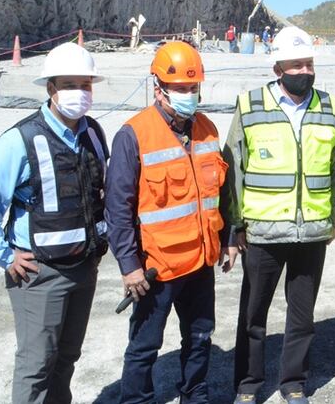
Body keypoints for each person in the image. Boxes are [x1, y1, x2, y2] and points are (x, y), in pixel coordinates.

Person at [0, 42, 108, 404]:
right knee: (37, 364)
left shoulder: (93, 133)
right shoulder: (21, 139)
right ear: (50, 88)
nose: (79, 92)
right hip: (40, 272)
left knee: (67, 358)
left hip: (84, 266)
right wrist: (4, 256)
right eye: (69, 85)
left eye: (85, 84)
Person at [106, 41, 238, 404]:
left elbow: (221, 194)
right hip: (156, 269)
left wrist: (228, 238)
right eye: (180, 88)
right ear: (158, 88)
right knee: (144, 346)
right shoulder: (133, 135)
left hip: (200, 262)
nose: (188, 95)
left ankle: (194, 395)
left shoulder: (207, 129)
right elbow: (117, 208)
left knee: (200, 337)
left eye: (193, 87)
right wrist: (129, 266)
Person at [225, 26, 335, 404]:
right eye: (296, 65)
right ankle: (248, 384)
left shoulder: (330, 108)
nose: (305, 71)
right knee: (253, 314)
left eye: (309, 64)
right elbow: (234, 169)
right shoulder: (250, 106)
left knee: (302, 316)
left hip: (312, 231)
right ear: (278, 69)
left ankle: (293, 382)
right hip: (263, 232)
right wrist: (235, 225)